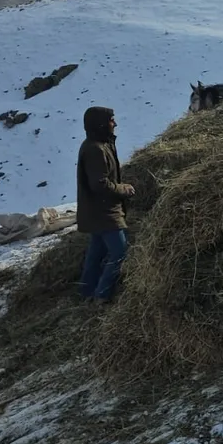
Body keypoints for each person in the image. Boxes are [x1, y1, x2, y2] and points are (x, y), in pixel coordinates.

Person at [77, 106, 134, 302]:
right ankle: (101, 295)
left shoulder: (101, 144)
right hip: (105, 212)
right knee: (120, 253)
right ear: (101, 124)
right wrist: (123, 189)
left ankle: (85, 292)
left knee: (97, 252)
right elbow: (99, 184)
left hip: (99, 211)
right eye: (111, 120)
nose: (115, 124)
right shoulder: (95, 149)